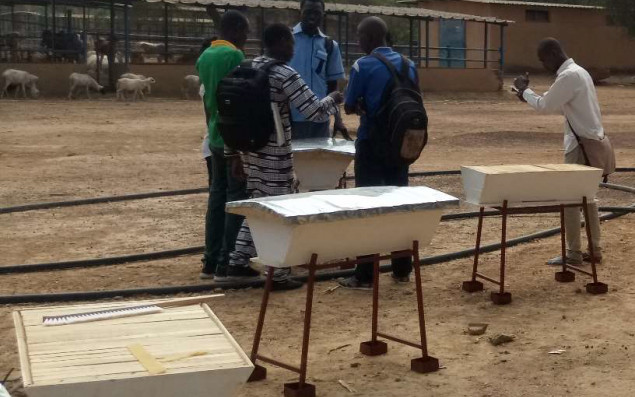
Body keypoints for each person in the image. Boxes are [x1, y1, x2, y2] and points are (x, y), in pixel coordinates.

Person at [227, 23, 343, 290]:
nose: (293, 48)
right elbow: (313, 110)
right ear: (279, 42)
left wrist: (233, 154)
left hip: (250, 149)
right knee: (280, 211)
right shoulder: (283, 73)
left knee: (258, 205)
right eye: (290, 42)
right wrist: (333, 99)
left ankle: (238, 263)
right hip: (274, 151)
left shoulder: (250, 65)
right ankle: (278, 274)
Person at [338, 16, 419, 290]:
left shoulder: (363, 65)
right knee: (399, 205)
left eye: (360, 36)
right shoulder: (410, 65)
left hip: (372, 143)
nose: (359, 42)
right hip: (401, 144)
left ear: (370, 39)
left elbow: (349, 104)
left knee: (368, 208)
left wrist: (359, 105)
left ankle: (365, 274)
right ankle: (402, 269)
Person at [513, 38, 603, 266]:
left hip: (579, 146)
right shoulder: (580, 72)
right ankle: (595, 250)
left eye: (543, 60)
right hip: (591, 143)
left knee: (571, 200)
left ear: (553, 54)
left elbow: (545, 105)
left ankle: (573, 253)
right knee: (589, 199)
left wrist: (525, 91)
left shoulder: (568, 76)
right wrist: (528, 96)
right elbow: (554, 101)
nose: (543, 65)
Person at [196, 11, 251, 280]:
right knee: (236, 198)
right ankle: (227, 261)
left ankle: (209, 259)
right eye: (246, 32)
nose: (247, 38)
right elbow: (237, 100)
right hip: (232, 138)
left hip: (214, 135)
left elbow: (208, 100)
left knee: (216, 197)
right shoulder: (235, 56)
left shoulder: (204, 56)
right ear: (237, 30)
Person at [289, 0, 349, 140]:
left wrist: (338, 120)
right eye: (308, 12)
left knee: (317, 160)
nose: (312, 16)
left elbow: (332, 86)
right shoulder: (287, 40)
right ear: (300, 13)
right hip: (290, 119)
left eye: (316, 12)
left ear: (323, 15)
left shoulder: (330, 45)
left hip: (320, 120)